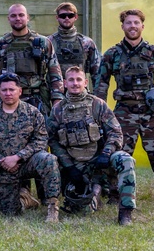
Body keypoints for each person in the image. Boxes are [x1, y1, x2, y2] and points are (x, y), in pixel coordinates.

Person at [94, 8, 154, 204]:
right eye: (128, 23)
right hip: (124, 113)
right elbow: (101, 83)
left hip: (151, 113)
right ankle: (115, 196)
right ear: (122, 26)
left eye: (136, 23)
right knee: (119, 155)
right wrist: (100, 111)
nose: (132, 26)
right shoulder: (112, 54)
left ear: (142, 25)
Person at [47, 66, 135, 225]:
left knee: (126, 159)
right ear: (65, 83)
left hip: (100, 159)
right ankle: (65, 201)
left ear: (85, 82)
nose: (75, 83)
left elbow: (116, 132)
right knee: (82, 210)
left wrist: (106, 154)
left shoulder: (98, 105)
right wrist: (69, 167)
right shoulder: (58, 110)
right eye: (71, 80)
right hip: (74, 164)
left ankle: (125, 213)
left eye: (79, 79)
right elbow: (52, 140)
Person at [0, 72, 61, 222]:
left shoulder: (32, 113)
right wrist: (2, 160)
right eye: (4, 90)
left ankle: (52, 206)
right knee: (9, 211)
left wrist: (18, 157)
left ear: (19, 91)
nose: (8, 93)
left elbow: (41, 140)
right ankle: (25, 198)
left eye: (12, 90)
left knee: (49, 159)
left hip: (27, 162)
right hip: (2, 166)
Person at [0, 3, 63, 116]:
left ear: (27, 17)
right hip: (6, 101)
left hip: (36, 100)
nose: (18, 18)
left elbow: (55, 73)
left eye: (21, 15)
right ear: (8, 18)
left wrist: (57, 99)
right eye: (13, 16)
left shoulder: (43, 43)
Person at [48, 2, 101, 91]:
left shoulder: (86, 42)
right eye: (63, 16)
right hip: (55, 95)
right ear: (57, 18)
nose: (67, 18)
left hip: (80, 93)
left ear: (76, 17)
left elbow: (97, 73)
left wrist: (98, 96)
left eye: (70, 15)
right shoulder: (49, 42)